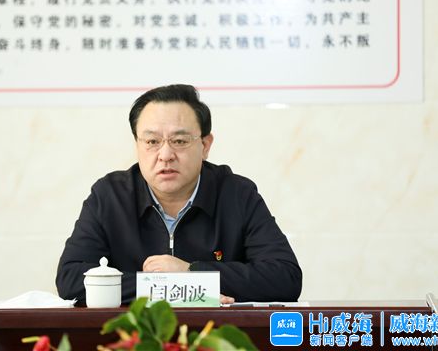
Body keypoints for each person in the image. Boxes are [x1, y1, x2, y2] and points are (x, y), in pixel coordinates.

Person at [56, 84, 302, 304]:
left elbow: (285, 277)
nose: (165, 155)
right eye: (152, 142)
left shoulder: (237, 194)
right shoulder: (110, 196)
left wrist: (191, 271)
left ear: (205, 145)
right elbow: (70, 279)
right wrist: (175, 288)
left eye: (180, 141)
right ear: (137, 145)